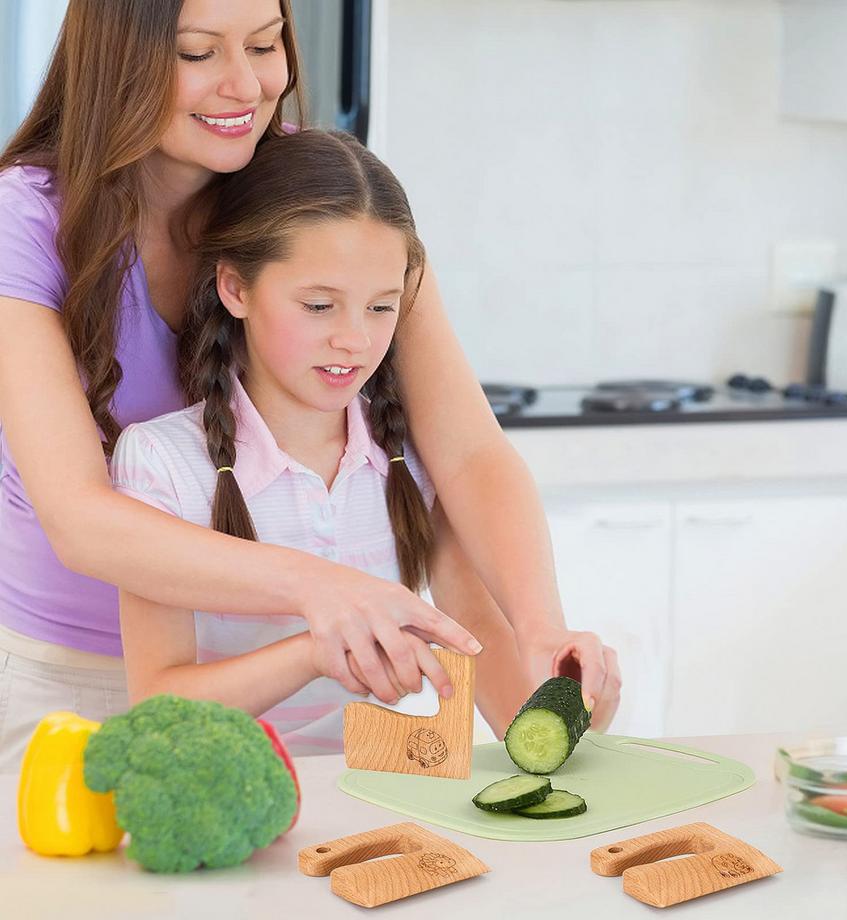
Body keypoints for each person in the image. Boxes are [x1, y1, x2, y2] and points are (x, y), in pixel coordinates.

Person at [0, 0, 620, 771]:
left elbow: (465, 451)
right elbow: (81, 520)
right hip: (75, 683)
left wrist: (539, 629)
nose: (244, 86)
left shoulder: (308, 186)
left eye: (265, 46)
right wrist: (326, 590)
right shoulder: (27, 221)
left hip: (286, 686)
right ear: (119, 58)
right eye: (198, 53)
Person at [111, 128, 534, 752]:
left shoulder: (414, 458)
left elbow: (480, 639)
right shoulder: (162, 463)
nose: (355, 341)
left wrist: (566, 710)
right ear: (235, 288)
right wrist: (316, 649)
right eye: (318, 306)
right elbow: (158, 704)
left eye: (381, 308)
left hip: (384, 795)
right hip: (238, 805)